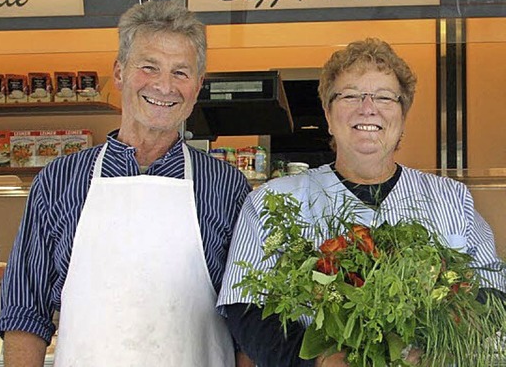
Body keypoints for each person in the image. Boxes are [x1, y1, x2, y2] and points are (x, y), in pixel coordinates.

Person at [217, 38, 506, 367]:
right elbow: (246, 307)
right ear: (328, 114)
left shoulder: (451, 199)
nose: (368, 108)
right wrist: (319, 361)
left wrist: (436, 349)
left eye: (384, 97)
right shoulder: (272, 199)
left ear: (402, 117)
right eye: (351, 95)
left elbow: (491, 290)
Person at [0, 0, 253, 366]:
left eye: (181, 72)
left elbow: (248, 323)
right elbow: (25, 313)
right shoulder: (58, 181)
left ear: (198, 86)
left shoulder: (227, 186)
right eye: (149, 68)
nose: (165, 86)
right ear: (119, 73)